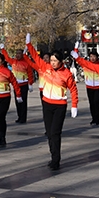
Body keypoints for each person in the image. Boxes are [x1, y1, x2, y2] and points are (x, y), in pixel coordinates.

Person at [25, 34, 78, 170]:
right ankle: (53, 155)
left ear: (61, 61)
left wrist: (74, 106)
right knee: (49, 133)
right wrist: (29, 45)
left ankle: (56, 159)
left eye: (55, 61)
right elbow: (35, 57)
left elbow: (73, 89)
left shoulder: (66, 74)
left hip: (60, 105)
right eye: (52, 60)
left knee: (55, 132)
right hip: (47, 104)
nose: (53, 63)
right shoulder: (46, 68)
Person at [0, 46, 34, 124]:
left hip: (24, 85)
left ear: (22, 54)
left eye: (19, 53)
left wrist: (30, 83)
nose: (17, 55)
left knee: (23, 102)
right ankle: (19, 117)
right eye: (17, 53)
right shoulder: (13, 62)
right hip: (16, 85)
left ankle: (23, 118)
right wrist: (3, 49)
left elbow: (30, 74)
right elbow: (6, 57)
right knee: (17, 101)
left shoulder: (26, 63)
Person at [77, 48, 99, 126]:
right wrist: (75, 49)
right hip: (89, 87)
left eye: (94, 56)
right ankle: (93, 118)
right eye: (91, 56)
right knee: (91, 103)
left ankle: (97, 118)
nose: (92, 58)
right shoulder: (86, 64)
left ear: (97, 57)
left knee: (96, 103)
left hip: (98, 87)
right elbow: (77, 58)